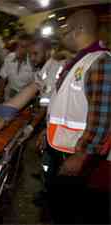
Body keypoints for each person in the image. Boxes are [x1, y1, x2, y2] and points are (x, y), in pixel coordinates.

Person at [44, 9, 111, 224]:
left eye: (65, 31)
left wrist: (83, 154)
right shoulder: (80, 61)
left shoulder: (100, 62)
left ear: (79, 30)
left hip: (79, 158)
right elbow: (63, 103)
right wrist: (45, 133)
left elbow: (102, 113)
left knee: (75, 213)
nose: (62, 36)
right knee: (61, 209)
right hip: (63, 151)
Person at [0, 33, 34, 101]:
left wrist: (20, 93)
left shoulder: (33, 63)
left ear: (29, 49)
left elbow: (35, 85)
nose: (19, 49)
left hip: (25, 100)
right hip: (8, 97)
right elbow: (2, 79)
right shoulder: (9, 57)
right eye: (18, 46)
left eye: (23, 46)